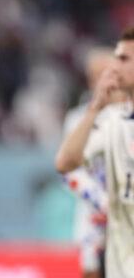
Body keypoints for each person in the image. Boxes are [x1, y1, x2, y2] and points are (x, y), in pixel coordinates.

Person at [56, 27, 134, 278]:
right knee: (92, 267)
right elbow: (68, 170)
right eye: (96, 75)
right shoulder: (80, 118)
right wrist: (102, 201)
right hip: (94, 215)